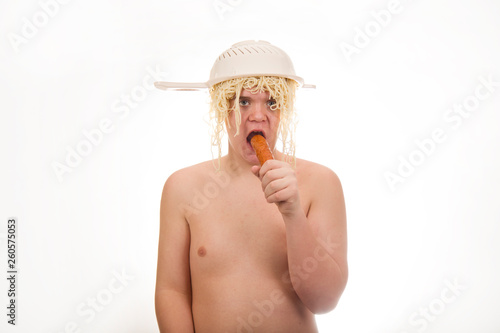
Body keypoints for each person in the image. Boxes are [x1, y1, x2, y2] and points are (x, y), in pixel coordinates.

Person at [154, 40, 348, 332]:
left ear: (284, 110)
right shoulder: (182, 187)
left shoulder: (321, 182)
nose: (258, 116)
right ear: (222, 108)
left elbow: (325, 301)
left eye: (272, 102)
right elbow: (173, 292)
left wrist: (293, 214)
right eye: (243, 101)